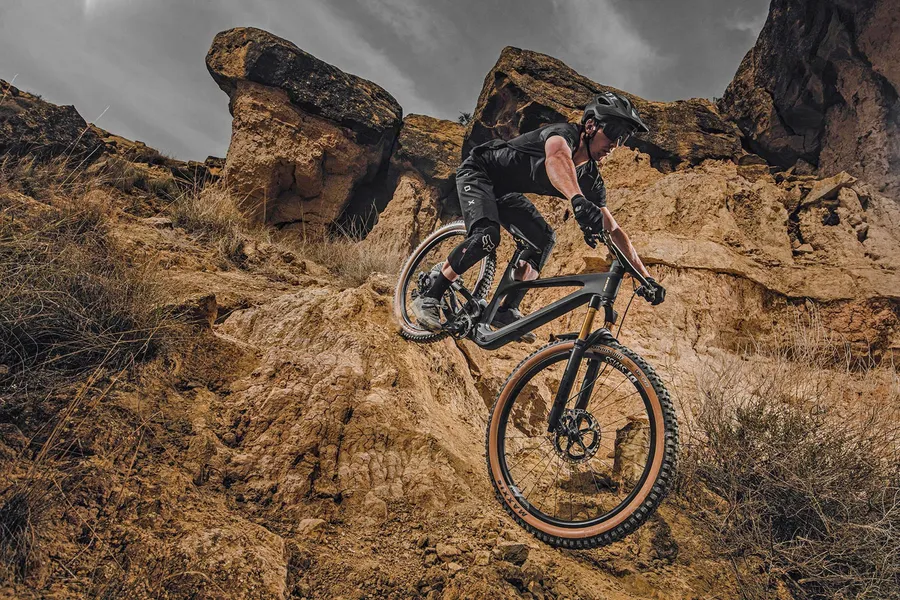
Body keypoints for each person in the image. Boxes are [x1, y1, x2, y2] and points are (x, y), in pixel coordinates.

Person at [410, 91, 666, 339]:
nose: (615, 144)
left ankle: (504, 310)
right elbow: (557, 159)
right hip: (479, 172)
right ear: (590, 125)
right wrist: (577, 199)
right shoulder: (562, 135)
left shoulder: (591, 179)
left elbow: (614, 230)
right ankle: (430, 295)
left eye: (623, 138)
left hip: (505, 192)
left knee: (543, 240)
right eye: (613, 132)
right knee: (487, 236)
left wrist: (646, 277)